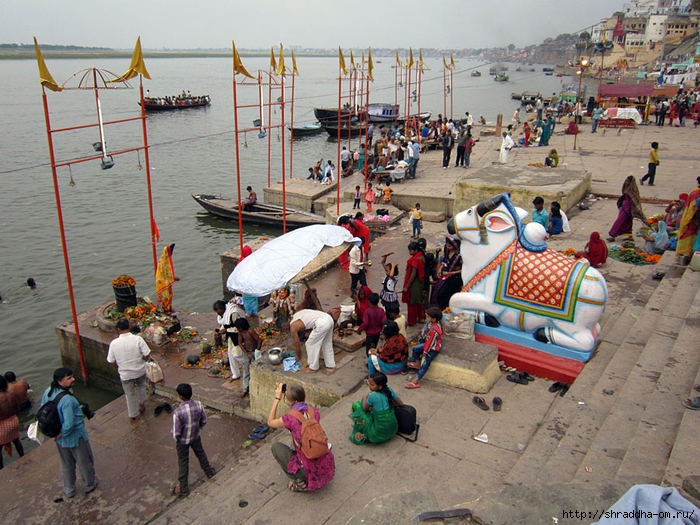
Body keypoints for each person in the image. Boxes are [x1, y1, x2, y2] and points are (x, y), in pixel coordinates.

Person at [268, 383, 335, 492]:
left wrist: (277, 398)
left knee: (276, 447)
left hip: (307, 468)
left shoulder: (289, 418)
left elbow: (270, 422)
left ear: (288, 400)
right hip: (326, 463)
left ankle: (299, 479)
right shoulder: (314, 411)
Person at [42, 368, 98, 498]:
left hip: (59, 438)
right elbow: (69, 423)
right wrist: (62, 433)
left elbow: (43, 411)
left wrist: (56, 434)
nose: (73, 379)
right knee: (85, 461)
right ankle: (89, 484)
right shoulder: (68, 400)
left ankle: (69, 489)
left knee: (66, 464)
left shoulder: (48, 393)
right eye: (69, 378)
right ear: (60, 382)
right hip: (75, 436)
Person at [170, 383, 215, 496]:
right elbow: (204, 421)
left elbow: (176, 432)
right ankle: (209, 472)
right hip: (195, 436)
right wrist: (198, 428)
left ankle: (183, 487)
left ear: (180, 396)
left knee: (183, 461)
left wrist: (177, 439)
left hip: (183, 441)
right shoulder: (198, 405)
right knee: (200, 453)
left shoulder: (178, 412)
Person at [107, 318, 150, 421]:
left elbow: (111, 361)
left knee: (129, 394)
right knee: (141, 386)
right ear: (129, 327)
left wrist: (119, 366)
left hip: (125, 374)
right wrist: (143, 360)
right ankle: (142, 404)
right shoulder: (137, 339)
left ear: (118, 329)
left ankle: (134, 414)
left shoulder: (114, 343)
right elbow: (147, 353)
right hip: (139, 370)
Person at [349, 372, 405, 445]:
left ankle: (361, 429)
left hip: (378, 435)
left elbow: (364, 409)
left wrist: (365, 397)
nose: (369, 386)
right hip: (393, 430)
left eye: (372, 385)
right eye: (369, 383)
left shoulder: (373, 396)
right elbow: (400, 403)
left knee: (356, 405)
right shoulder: (389, 389)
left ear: (380, 386)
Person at [405, 306, 444, 389]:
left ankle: (416, 380)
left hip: (432, 348)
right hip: (427, 344)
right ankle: (417, 363)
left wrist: (425, 352)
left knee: (425, 364)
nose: (426, 318)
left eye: (428, 317)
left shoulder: (434, 330)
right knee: (415, 349)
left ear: (434, 319)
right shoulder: (432, 325)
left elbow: (430, 343)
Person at [290, 309, 336, 374]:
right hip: (328, 318)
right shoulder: (298, 314)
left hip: (322, 323)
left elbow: (297, 345)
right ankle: (331, 365)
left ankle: (313, 367)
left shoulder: (293, 326)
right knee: (326, 343)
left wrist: (298, 356)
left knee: (310, 344)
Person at [213, 298, 247, 381]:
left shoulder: (234, 313)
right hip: (231, 335)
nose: (219, 314)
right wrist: (221, 329)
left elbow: (239, 327)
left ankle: (249, 364)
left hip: (239, 335)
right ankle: (236, 374)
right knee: (230, 355)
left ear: (222, 309)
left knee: (237, 355)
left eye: (219, 312)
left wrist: (226, 330)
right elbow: (225, 323)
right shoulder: (224, 314)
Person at [608, 176, 648, 242]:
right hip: (624, 206)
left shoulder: (633, 189)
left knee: (619, 221)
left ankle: (613, 235)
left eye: (627, 181)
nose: (626, 182)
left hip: (629, 208)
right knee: (628, 222)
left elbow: (635, 199)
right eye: (626, 181)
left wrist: (637, 209)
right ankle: (630, 236)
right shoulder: (626, 186)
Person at [431, 236, 463, 310]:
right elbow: (445, 261)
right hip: (446, 275)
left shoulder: (459, 256)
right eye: (447, 245)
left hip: (455, 278)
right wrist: (440, 269)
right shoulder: (447, 252)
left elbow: (465, 269)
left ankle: (447, 309)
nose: (448, 247)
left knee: (444, 294)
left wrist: (453, 273)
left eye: (449, 246)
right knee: (438, 293)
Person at [232, 318, 260, 398]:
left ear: (240, 327)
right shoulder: (241, 333)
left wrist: (257, 352)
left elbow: (259, 340)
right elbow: (240, 343)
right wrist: (247, 354)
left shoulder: (250, 331)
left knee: (256, 369)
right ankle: (245, 389)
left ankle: (255, 386)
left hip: (254, 351)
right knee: (246, 370)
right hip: (246, 352)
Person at [0, 376, 23, 469]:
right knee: (17, 441)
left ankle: (1, 468)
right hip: (14, 420)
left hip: (2, 424)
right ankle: (22, 456)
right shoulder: (12, 394)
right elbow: (18, 408)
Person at [401, 241, 426, 327]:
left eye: (411, 251)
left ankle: (412, 321)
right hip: (419, 282)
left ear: (415, 250)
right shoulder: (421, 257)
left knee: (412, 302)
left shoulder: (415, 260)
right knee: (419, 301)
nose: (409, 252)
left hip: (414, 283)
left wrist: (407, 287)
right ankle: (421, 317)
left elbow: (413, 274)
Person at [677, 177, 700, 258]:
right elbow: (693, 209)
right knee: (689, 239)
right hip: (692, 220)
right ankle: (686, 256)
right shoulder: (696, 193)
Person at [155, 243, 177, 313]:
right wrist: (173, 278)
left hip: (167, 282)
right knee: (165, 297)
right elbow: (164, 274)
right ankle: (166, 310)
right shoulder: (162, 262)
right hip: (163, 283)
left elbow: (168, 273)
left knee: (170, 295)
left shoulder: (167, 260)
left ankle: (169, 308)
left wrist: (173, 278)